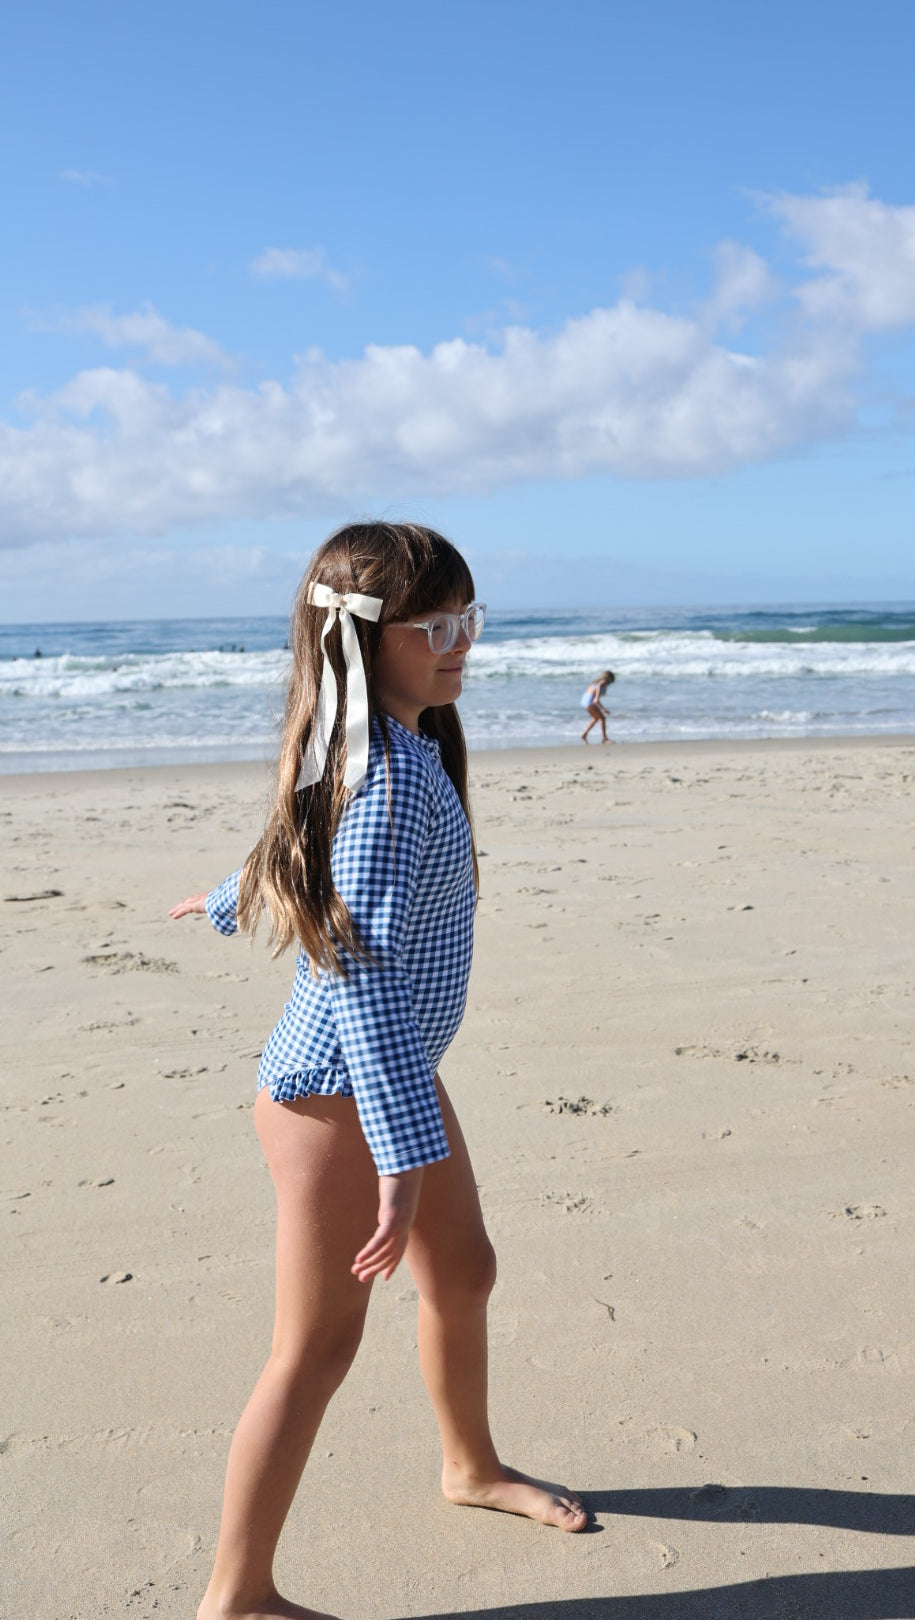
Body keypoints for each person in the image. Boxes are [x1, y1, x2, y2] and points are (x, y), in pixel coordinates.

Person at [170, 521, 586, 1620]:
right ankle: (237, 1597)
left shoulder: (369, 744)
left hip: (385, 1071)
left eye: (469, 619)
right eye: (435, 626)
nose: (461, 643)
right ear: (364, 642)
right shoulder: (390, 779)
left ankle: (469, 1467)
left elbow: (294, 841)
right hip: (337, 1093)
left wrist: (225, 897)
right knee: (312, 1350)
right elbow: (359, 974)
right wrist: (401, 1158)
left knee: (465, 1268)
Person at [580, 669, 615, 743]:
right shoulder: (601, 684)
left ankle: (584, 734)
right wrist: (603, 708)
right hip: (589, 702)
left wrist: (602, 708)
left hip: (585, 701)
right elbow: (596, 700)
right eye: (610, 681)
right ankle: (604, 739)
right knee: (602, 718)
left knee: (595, 718)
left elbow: (595, 699)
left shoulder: (596, 683)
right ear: (608, 679)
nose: (609, 684)